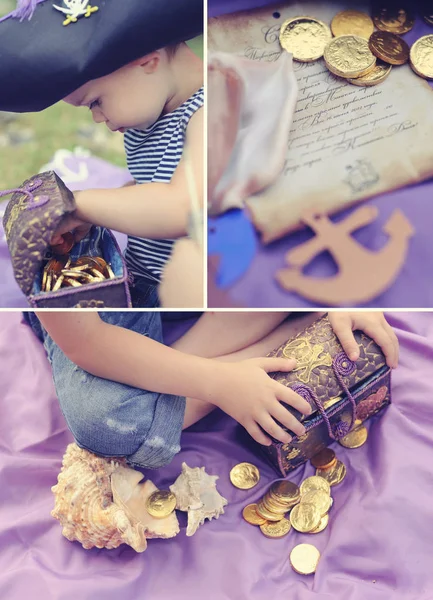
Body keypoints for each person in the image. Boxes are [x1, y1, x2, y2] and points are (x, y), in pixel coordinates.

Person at [0, 1, 204, 308]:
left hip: (196, 293)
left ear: (145, 61)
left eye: (95, 102)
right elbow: (156, 184)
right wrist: (100, 214)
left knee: (82, 341)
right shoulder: (147, 116)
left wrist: (78, 206)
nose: (96, 117)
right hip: (145, 280)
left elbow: (184, 207)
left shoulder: (213, 113)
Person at [24, 311, 399, 469]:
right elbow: (88, 342)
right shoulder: (50, 240)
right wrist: (220, 384)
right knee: (107, 422)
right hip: (93, 321)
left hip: (177, 283)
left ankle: (161, 380)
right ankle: (293, 330)